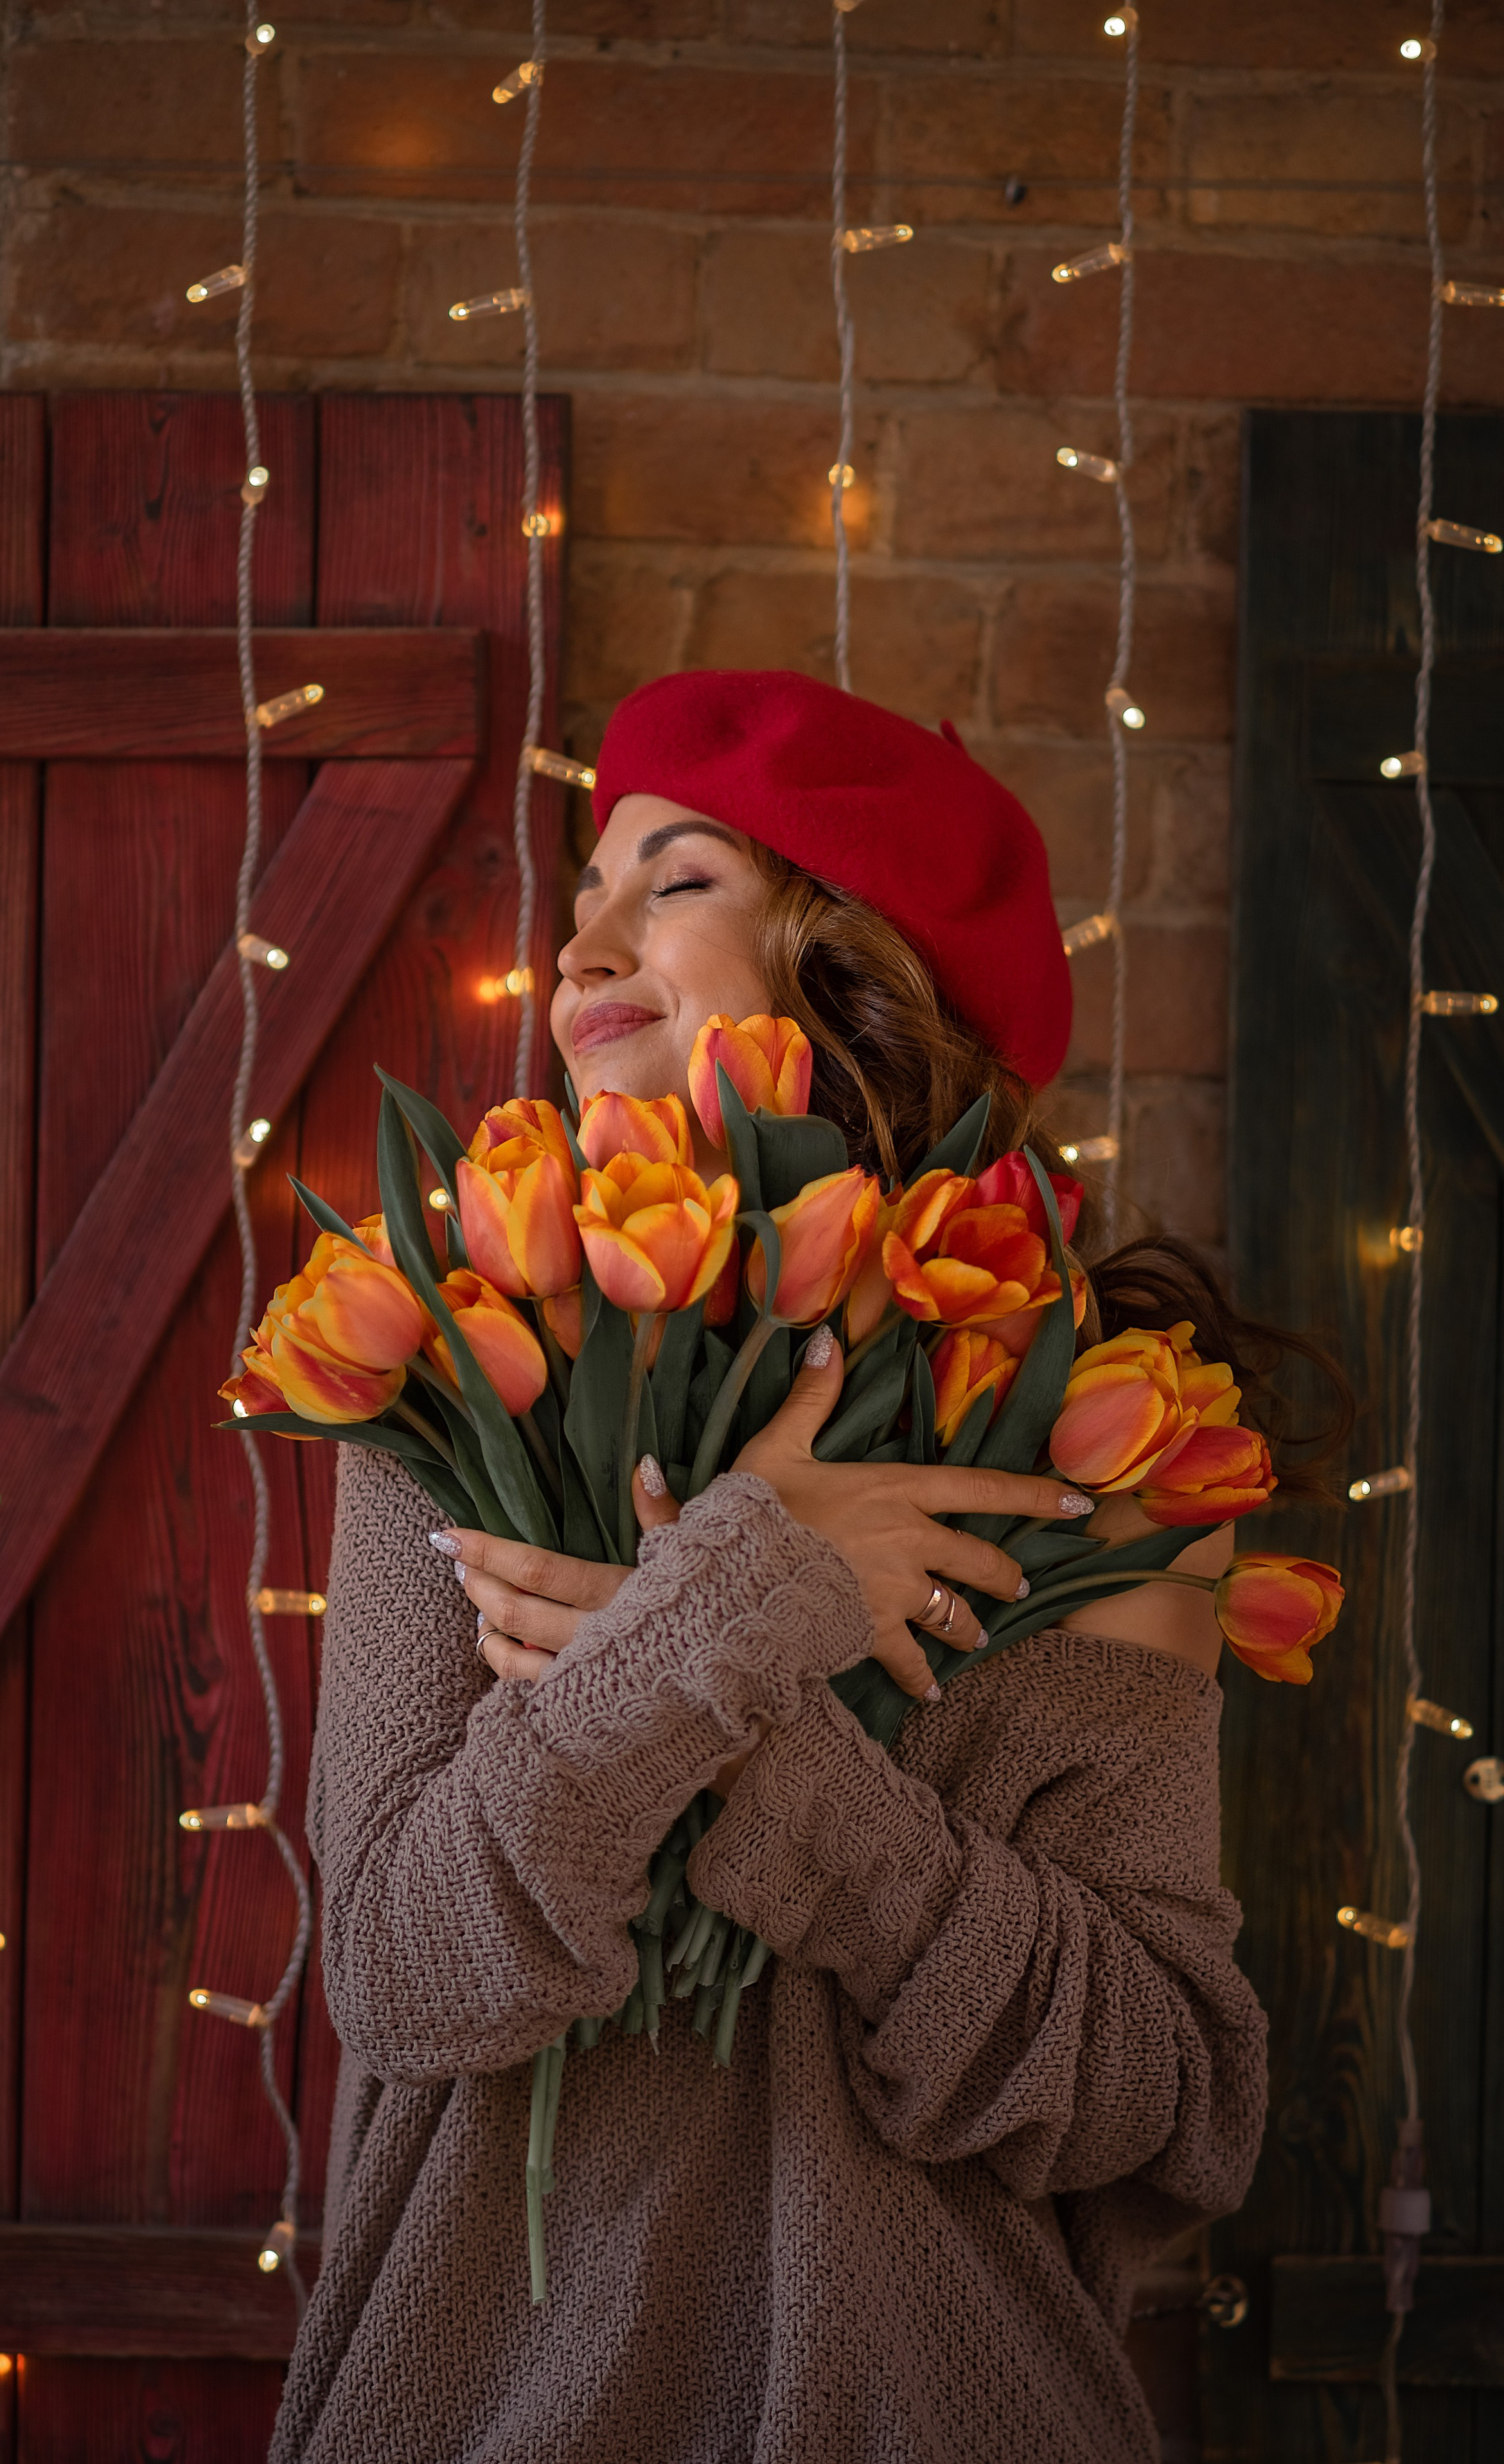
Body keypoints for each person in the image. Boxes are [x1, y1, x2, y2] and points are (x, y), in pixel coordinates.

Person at [269, 671, 1295, 2464]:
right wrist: (757, 1583)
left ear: (860, 971)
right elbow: (407, 1976)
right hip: (484, 2413)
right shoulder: (455, 1381)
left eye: (674, 881)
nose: (582, 944)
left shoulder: (1103, 1463)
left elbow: (1169, 2104)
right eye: (590, 884)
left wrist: (753, 1737)